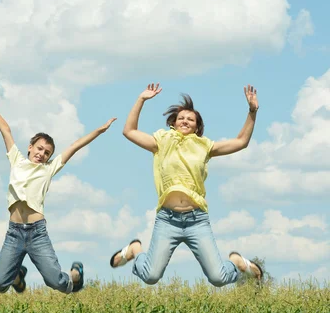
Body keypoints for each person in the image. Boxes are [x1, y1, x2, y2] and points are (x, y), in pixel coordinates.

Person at [110, 83, 263, 286]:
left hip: (196, 220)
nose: (185, 121)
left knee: (218, 278)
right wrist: (141, 99)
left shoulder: (205, 146)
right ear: (173, 123)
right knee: (150, 276)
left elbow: (241, 141)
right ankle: (136, 250)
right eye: (181, 118)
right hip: (167, 219)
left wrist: (252, 111)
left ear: (197, 127)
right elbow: (129, 131)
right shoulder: (161, 141)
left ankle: (235, 262)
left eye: (190, 119)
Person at [0, 88, 116, 294]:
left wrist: (99, 130)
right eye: (39, 149)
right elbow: (6, 130)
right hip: (14, 232)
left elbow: (75, 146)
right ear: (30, 147)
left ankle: (75, 274)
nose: (42, 154)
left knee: (57, 283)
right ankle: (17, 275)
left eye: (47, 152)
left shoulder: (49, 168)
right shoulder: (17, 160)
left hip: (37, 233)